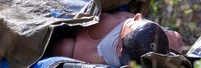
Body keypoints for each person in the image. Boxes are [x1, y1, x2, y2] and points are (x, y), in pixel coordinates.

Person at [46, 12, 184, 66]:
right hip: (124, 30)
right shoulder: (117, 21)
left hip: (95, 47)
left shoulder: (88, 52)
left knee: (65, 47)